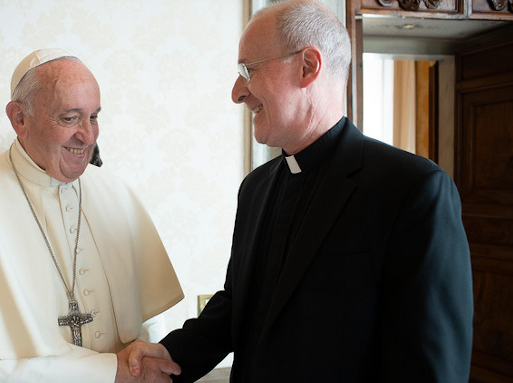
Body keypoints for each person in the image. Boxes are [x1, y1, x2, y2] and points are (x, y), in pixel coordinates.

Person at [123, 1, 474, 381]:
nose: (237, 92)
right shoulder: (255, 188)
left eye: (248, 70)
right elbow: (240, 305)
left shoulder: (413, 189)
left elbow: (431, 367)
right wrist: (168, 355)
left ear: (308, 66)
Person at [0, 48, 183, 383]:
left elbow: (149, 328)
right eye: (70, 118)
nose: (87, 136)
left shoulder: (117, 194)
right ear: (19, 119)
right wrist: (110, 372)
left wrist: (142, 361)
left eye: (94, 117)